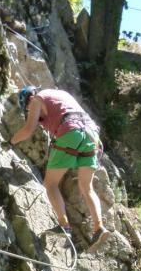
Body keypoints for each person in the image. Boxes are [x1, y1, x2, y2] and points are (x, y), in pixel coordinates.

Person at [9, 86, 111, 252]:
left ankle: (65, 226)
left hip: (71, 131)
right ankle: (99, 228)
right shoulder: (61, 94)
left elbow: (28, 130)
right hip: (92, 135)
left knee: (51, 185)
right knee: (87, 187)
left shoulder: (36, 100)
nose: (30, 111)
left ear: (27, 100)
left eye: (27, 109)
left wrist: (11, 142)